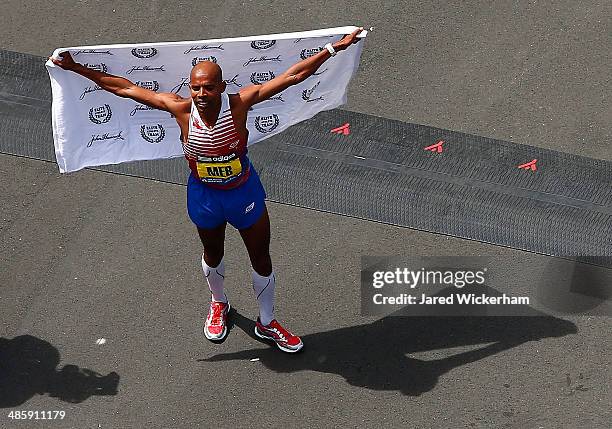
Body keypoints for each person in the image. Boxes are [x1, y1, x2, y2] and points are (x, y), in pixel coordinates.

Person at [51, 28, 363, 353]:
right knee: (213, 253)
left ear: (222, 87)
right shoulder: (181, 109)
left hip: (243, 193)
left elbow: (293, 76)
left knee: (261, 258)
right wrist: (75, 68)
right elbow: (125, 88)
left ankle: (267, 322)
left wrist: (331, 48)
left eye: (209, 87)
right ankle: (219, 303)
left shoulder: (240, 104)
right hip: (205, 197)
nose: (201, 94)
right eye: (196, 87)